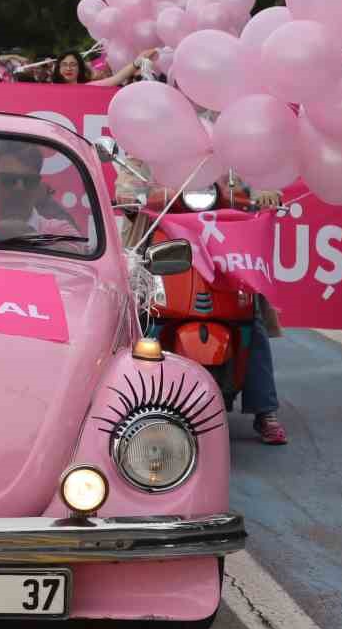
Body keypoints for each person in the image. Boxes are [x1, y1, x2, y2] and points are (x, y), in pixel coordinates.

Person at [113, 160, 287, 443]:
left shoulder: (231, 126)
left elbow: (254, 159)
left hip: (224, 228)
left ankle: (264, 409)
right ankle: (128, 395)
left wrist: (265, 189)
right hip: (166, 225)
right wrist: (128, 193)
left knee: (249, 316)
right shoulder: (157, 127)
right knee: (142, 311)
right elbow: (133, 168)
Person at [52, 49, 155, 87]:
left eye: (73, 64)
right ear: (58, 68)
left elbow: (116, 79)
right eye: (64, 64)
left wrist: (137, 62)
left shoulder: (88, 87)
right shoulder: (48, 91)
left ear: (80, 69)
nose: (68, 68)